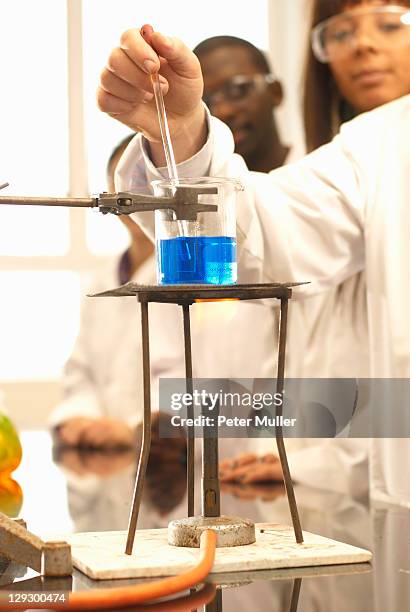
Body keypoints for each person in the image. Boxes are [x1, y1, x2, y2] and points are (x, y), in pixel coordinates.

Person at [96, 11, 410, 507]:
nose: (364, 46)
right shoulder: (375, 150)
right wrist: (181, 137)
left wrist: (323, 461)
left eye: (390, 23)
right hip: (299, 480)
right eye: (342, 31)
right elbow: (265, 240)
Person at [51, 134, 181, 449]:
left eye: (150, 184)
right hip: (103, 457)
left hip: (170, 462)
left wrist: (138, 429)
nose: (138, 199)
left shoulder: (191, 279)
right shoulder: (102, 281)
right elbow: (82, 371)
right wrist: (81, 417)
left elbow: (197, 374)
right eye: (127, 185)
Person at [193, 35, 294, 171]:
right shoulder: (200, 186)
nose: (222, 112)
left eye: (237, 90)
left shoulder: (321, 175)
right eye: (205, 101)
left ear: (275, 92)